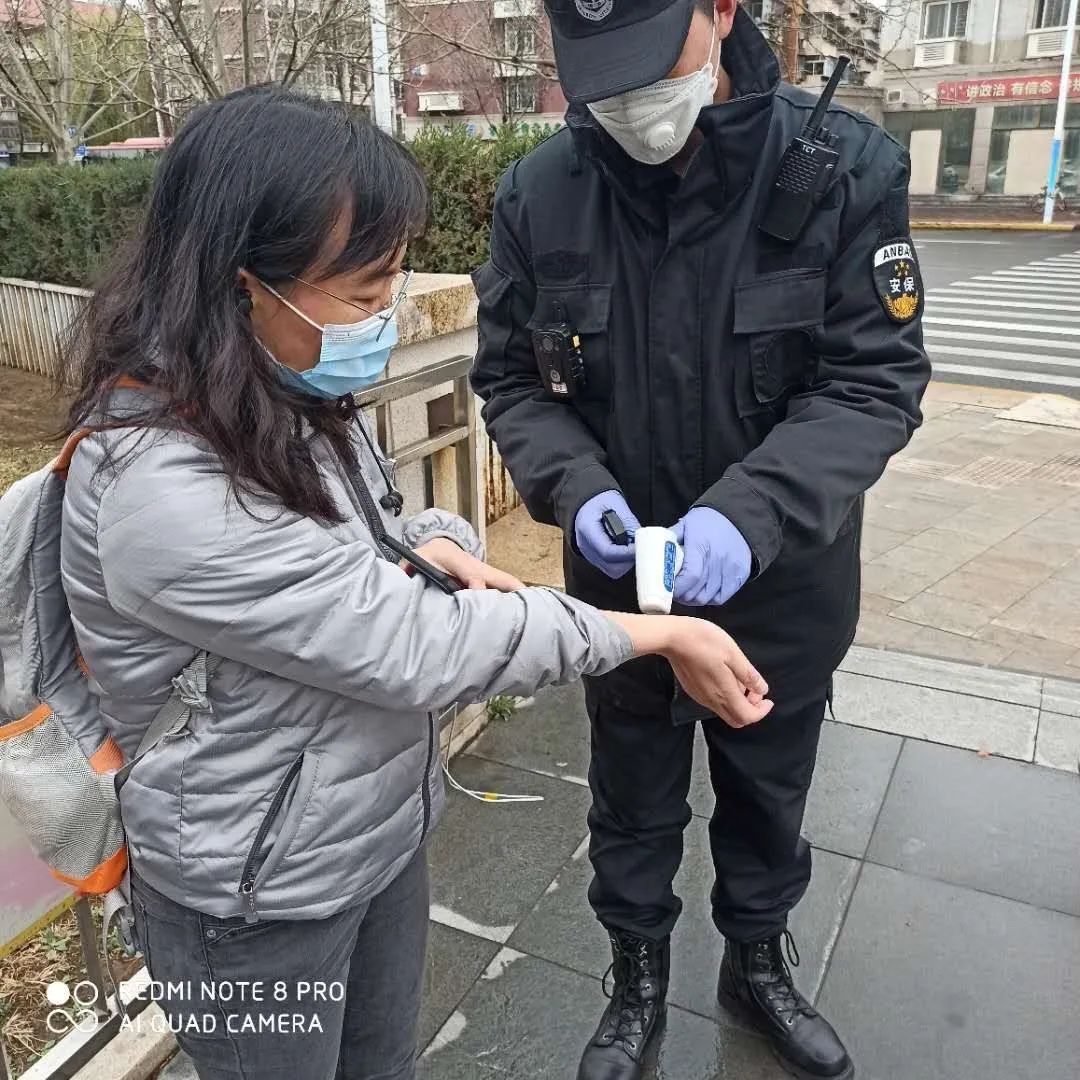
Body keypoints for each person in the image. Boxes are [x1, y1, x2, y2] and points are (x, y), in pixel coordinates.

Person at [57, 86, 772, 1080]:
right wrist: (655, 635)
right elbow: (410, 645)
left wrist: (431, 543)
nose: (387, 312)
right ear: (242, 284)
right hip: (254, 892)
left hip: (366, 829)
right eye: (363, 289)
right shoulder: (161, 485)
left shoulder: (271, 390)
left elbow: (374, 536)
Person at [470, 2, 931, 1078]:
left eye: (648, 61)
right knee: (629, 794)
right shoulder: (543, 193)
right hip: (625, 592)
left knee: (770, 792)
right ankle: (634, 976)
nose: (626, 100)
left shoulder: (841, 172)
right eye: (597, 74)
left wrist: (749, 512)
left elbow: (873, 382)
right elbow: (509, 379)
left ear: (722, 11)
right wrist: (573, 485)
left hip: (779, 583)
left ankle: (758, 959)